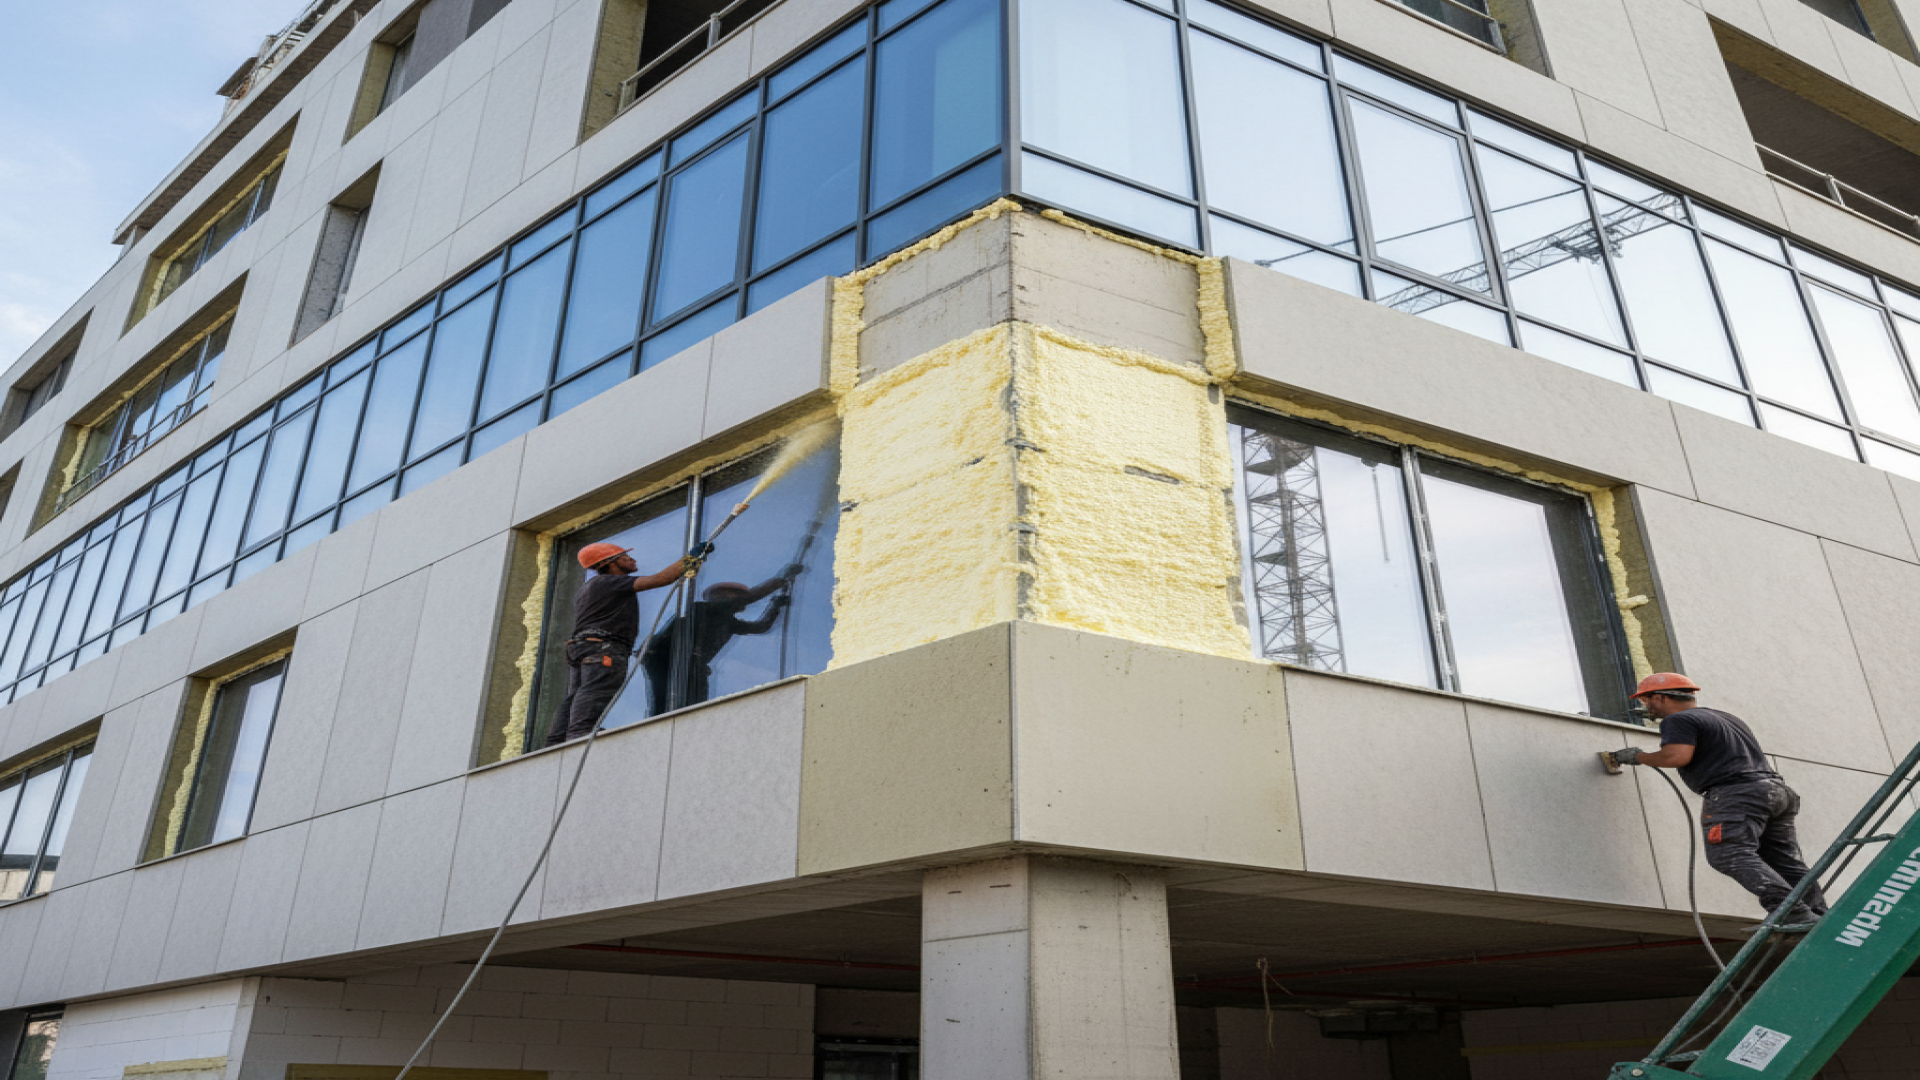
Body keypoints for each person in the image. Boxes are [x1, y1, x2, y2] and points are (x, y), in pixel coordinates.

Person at [1608, 673, 1828, 925]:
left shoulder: (1677, 720)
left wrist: (1638, 757)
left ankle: (1793, 912)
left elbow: (1674, 757)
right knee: (1783, 859)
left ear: (1660, 697)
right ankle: (1817, 913)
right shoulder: (1726, 718)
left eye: (1647, 700)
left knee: (1729, 853)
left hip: (1737, 795)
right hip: (1776, 791)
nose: (1647, 707)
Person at [543, 541, 702, 747]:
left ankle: (557, 741)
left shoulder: (591, 587)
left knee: (575, 695)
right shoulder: (608, 582)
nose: (632, 559)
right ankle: (580, 734)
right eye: (625, 556)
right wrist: (690, 558)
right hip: (603, 648)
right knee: (595, 690)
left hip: (585, 647)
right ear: (610, 562)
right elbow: (662, 579)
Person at [642, 568, 799, 716]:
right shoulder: (702, 609)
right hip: (662, 656)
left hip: (691, 663)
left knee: (695, 703)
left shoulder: (728, 622)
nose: (739, 600)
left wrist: (775, 605)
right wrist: (782, 578)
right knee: (664, 700)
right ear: (717, 597)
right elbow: (751, 598)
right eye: (733, 595)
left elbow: (760, 627)